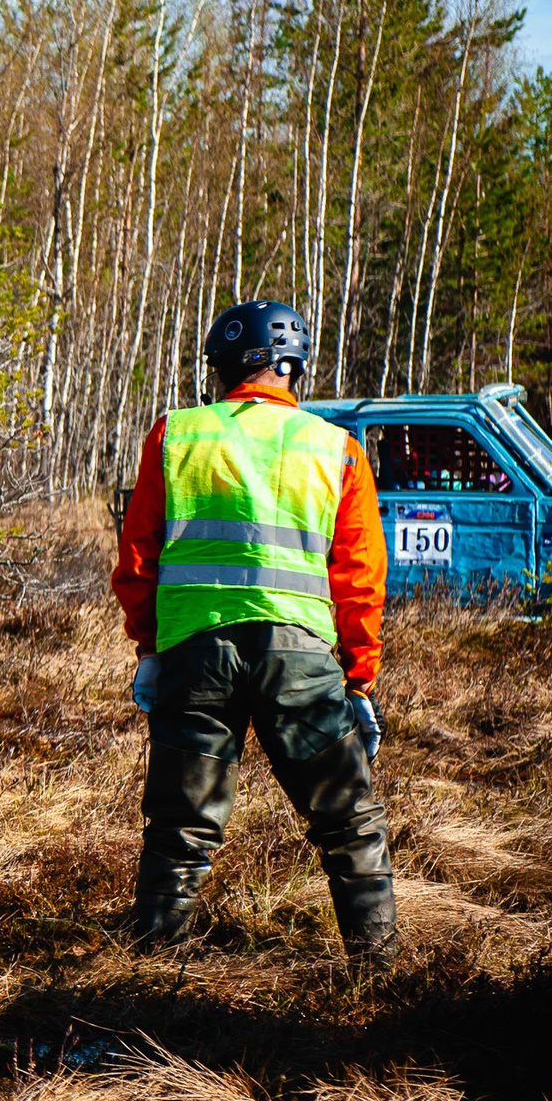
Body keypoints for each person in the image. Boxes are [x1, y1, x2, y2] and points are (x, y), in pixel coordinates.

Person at [110, 300, 395, 961]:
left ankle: (150, 966)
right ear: (294, 368)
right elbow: (360, 577)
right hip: (300, 659)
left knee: (181, 823)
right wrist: (358, 676)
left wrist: (150, 647)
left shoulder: (175, 435)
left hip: (194, 656)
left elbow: (137, 558)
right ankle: (380, 975)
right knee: (348, 819)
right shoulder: (337, 448)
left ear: (225, 367)